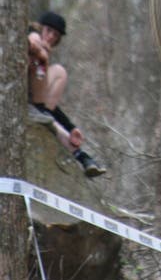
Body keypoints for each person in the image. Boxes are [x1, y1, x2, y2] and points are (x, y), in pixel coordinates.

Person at [27, 11, 106, 178]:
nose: (50, 37)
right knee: (45, 63)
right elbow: (32, 41)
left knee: (58, 73)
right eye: (48, 31)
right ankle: (83, 157)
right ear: (41, 27)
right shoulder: (31, 35)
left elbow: (49, 107)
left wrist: (71, 127)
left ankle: (83, 157)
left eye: (55, 35)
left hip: (36, 105)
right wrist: (40, 50)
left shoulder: (45, 56)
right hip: (21, 97)